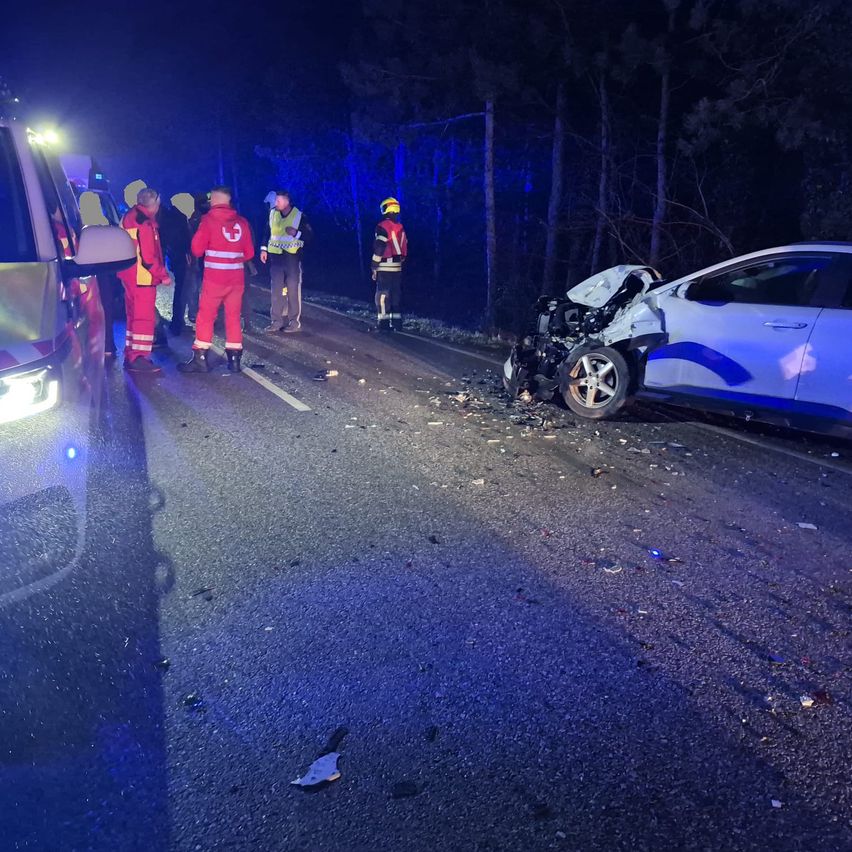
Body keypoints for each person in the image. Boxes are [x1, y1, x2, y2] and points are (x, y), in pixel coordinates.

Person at [179, 186, 254, 374]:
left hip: (214, 279)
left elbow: (197, 249)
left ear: (215, 199)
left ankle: (200, 359)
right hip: (236, 279)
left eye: (211, 199)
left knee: (205, 317)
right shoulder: (242, 222)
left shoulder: (208, 220)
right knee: (233, 318)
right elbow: (249, 253)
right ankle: (235, 360)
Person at [118, 188, 172, 373]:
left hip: (128, 275)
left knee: (133, 317)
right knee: (144, 319)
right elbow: (149, 257)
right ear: (154, 203)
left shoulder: (129, 216)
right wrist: (163, 275)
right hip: (142, 278)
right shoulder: (145, 223)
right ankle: (139, 358)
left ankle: (130, 354)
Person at [260, 190, 312, 333]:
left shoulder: (299, 216)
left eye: (279, 200)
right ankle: (276, 322)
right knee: (277, 291)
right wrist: (263, 249)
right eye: (275, 200)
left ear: (287, 201)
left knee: (293, 292)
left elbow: (309, 237)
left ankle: (294, 323)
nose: (275, 203)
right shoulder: (272, 214)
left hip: (292, 260)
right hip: (276, 259)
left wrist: (297, 233)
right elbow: (267, 233)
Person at [371, 196, 408, 332]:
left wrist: (374, 265)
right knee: (395, 295)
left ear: (386, 208)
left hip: (385, 266)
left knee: (382, 295)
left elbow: (380, 246)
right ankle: (397, 324)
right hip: (398, 266)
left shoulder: (382, 226)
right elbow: (404, 247)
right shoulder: (400, 227)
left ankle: (383, 324)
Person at [158, 193, 193, 335]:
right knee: (181, 290)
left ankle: (175, 323)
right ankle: (177, 323)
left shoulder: (164, 217)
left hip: (171, 256)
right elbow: (184, 239)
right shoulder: (179, 218)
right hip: (181, 257)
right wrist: (187, 253)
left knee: (180, 290)